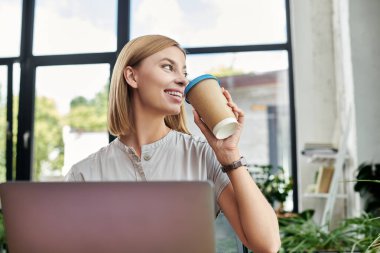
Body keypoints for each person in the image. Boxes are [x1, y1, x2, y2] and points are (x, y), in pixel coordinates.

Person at [65, 34, 281, 253]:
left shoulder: (204, 156)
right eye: (168, 67)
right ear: (132, 76)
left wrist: (230, 155)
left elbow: (267, 244)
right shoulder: (84, 174)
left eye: (184, 72)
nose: (183, 80)